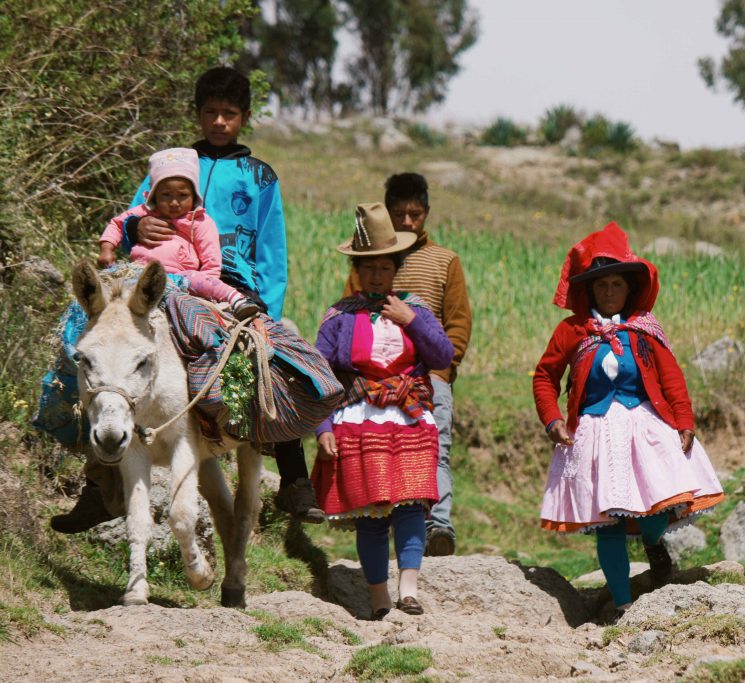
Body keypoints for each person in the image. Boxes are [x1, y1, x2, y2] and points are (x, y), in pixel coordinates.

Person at [50, 66, 324, 534]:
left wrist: (266, 309)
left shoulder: (259, 176)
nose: (219, 122)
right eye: (211, 113)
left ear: (245, 118)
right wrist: (138, 229)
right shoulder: (174, 162)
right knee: (91, 347)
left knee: (274, 360)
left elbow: (273, 249)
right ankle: (98, 485)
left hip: (228, 281)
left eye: (230, 114)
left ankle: (295, 477)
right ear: (197, 115)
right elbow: (135, 211)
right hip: (155, 279)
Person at [532, 222, 725, 615]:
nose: (608, 293)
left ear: (629, 287)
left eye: (616, 284)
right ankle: (621, 603)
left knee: (658, 509)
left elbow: (671, 377)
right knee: (609, 525)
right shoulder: (571, 331)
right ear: (589, 290)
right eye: (600, 286)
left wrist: (684, 420)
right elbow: (544, 377)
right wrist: (552, 419)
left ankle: (654, 543)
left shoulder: (645, 329)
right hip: (594, 434)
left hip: (645, 427)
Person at [313, 203, 453, 620]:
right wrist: (323, 428)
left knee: (411, 506)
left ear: (396, 269)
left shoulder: (416, 309)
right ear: (357, 271)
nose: (377, 276)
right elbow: (319, 377)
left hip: (410, 418)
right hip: (359, 420)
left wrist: (411, 320)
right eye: (368, 268)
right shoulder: (339, 317)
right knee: (374, 516)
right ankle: (378, 599)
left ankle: (408, 590)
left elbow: (442, 354)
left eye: (385, 268)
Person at [343, 173, 471, 556]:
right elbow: (351, 315)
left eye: (416, 214)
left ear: (427, 213)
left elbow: (458, 321)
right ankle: (374, 514)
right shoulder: (368, 263)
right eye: (400, 214)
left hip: (430, 375)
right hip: (377, 378)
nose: (409, 222)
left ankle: (438, 525)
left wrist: (443, 370)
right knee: (377, 444)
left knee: (436, 447)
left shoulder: (445, 260)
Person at [97, 147, 261, 319]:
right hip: (139, 274)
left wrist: (205, 286)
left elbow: (211, 261)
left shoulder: (200, 222)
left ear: (194, 195)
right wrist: (106, 249)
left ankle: (236, 299)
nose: (174, 202)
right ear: (154, 195)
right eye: (166, 195)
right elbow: (117, 223)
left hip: (180, 279)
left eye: (182, 195)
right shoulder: (143, 212)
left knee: (199, 280)